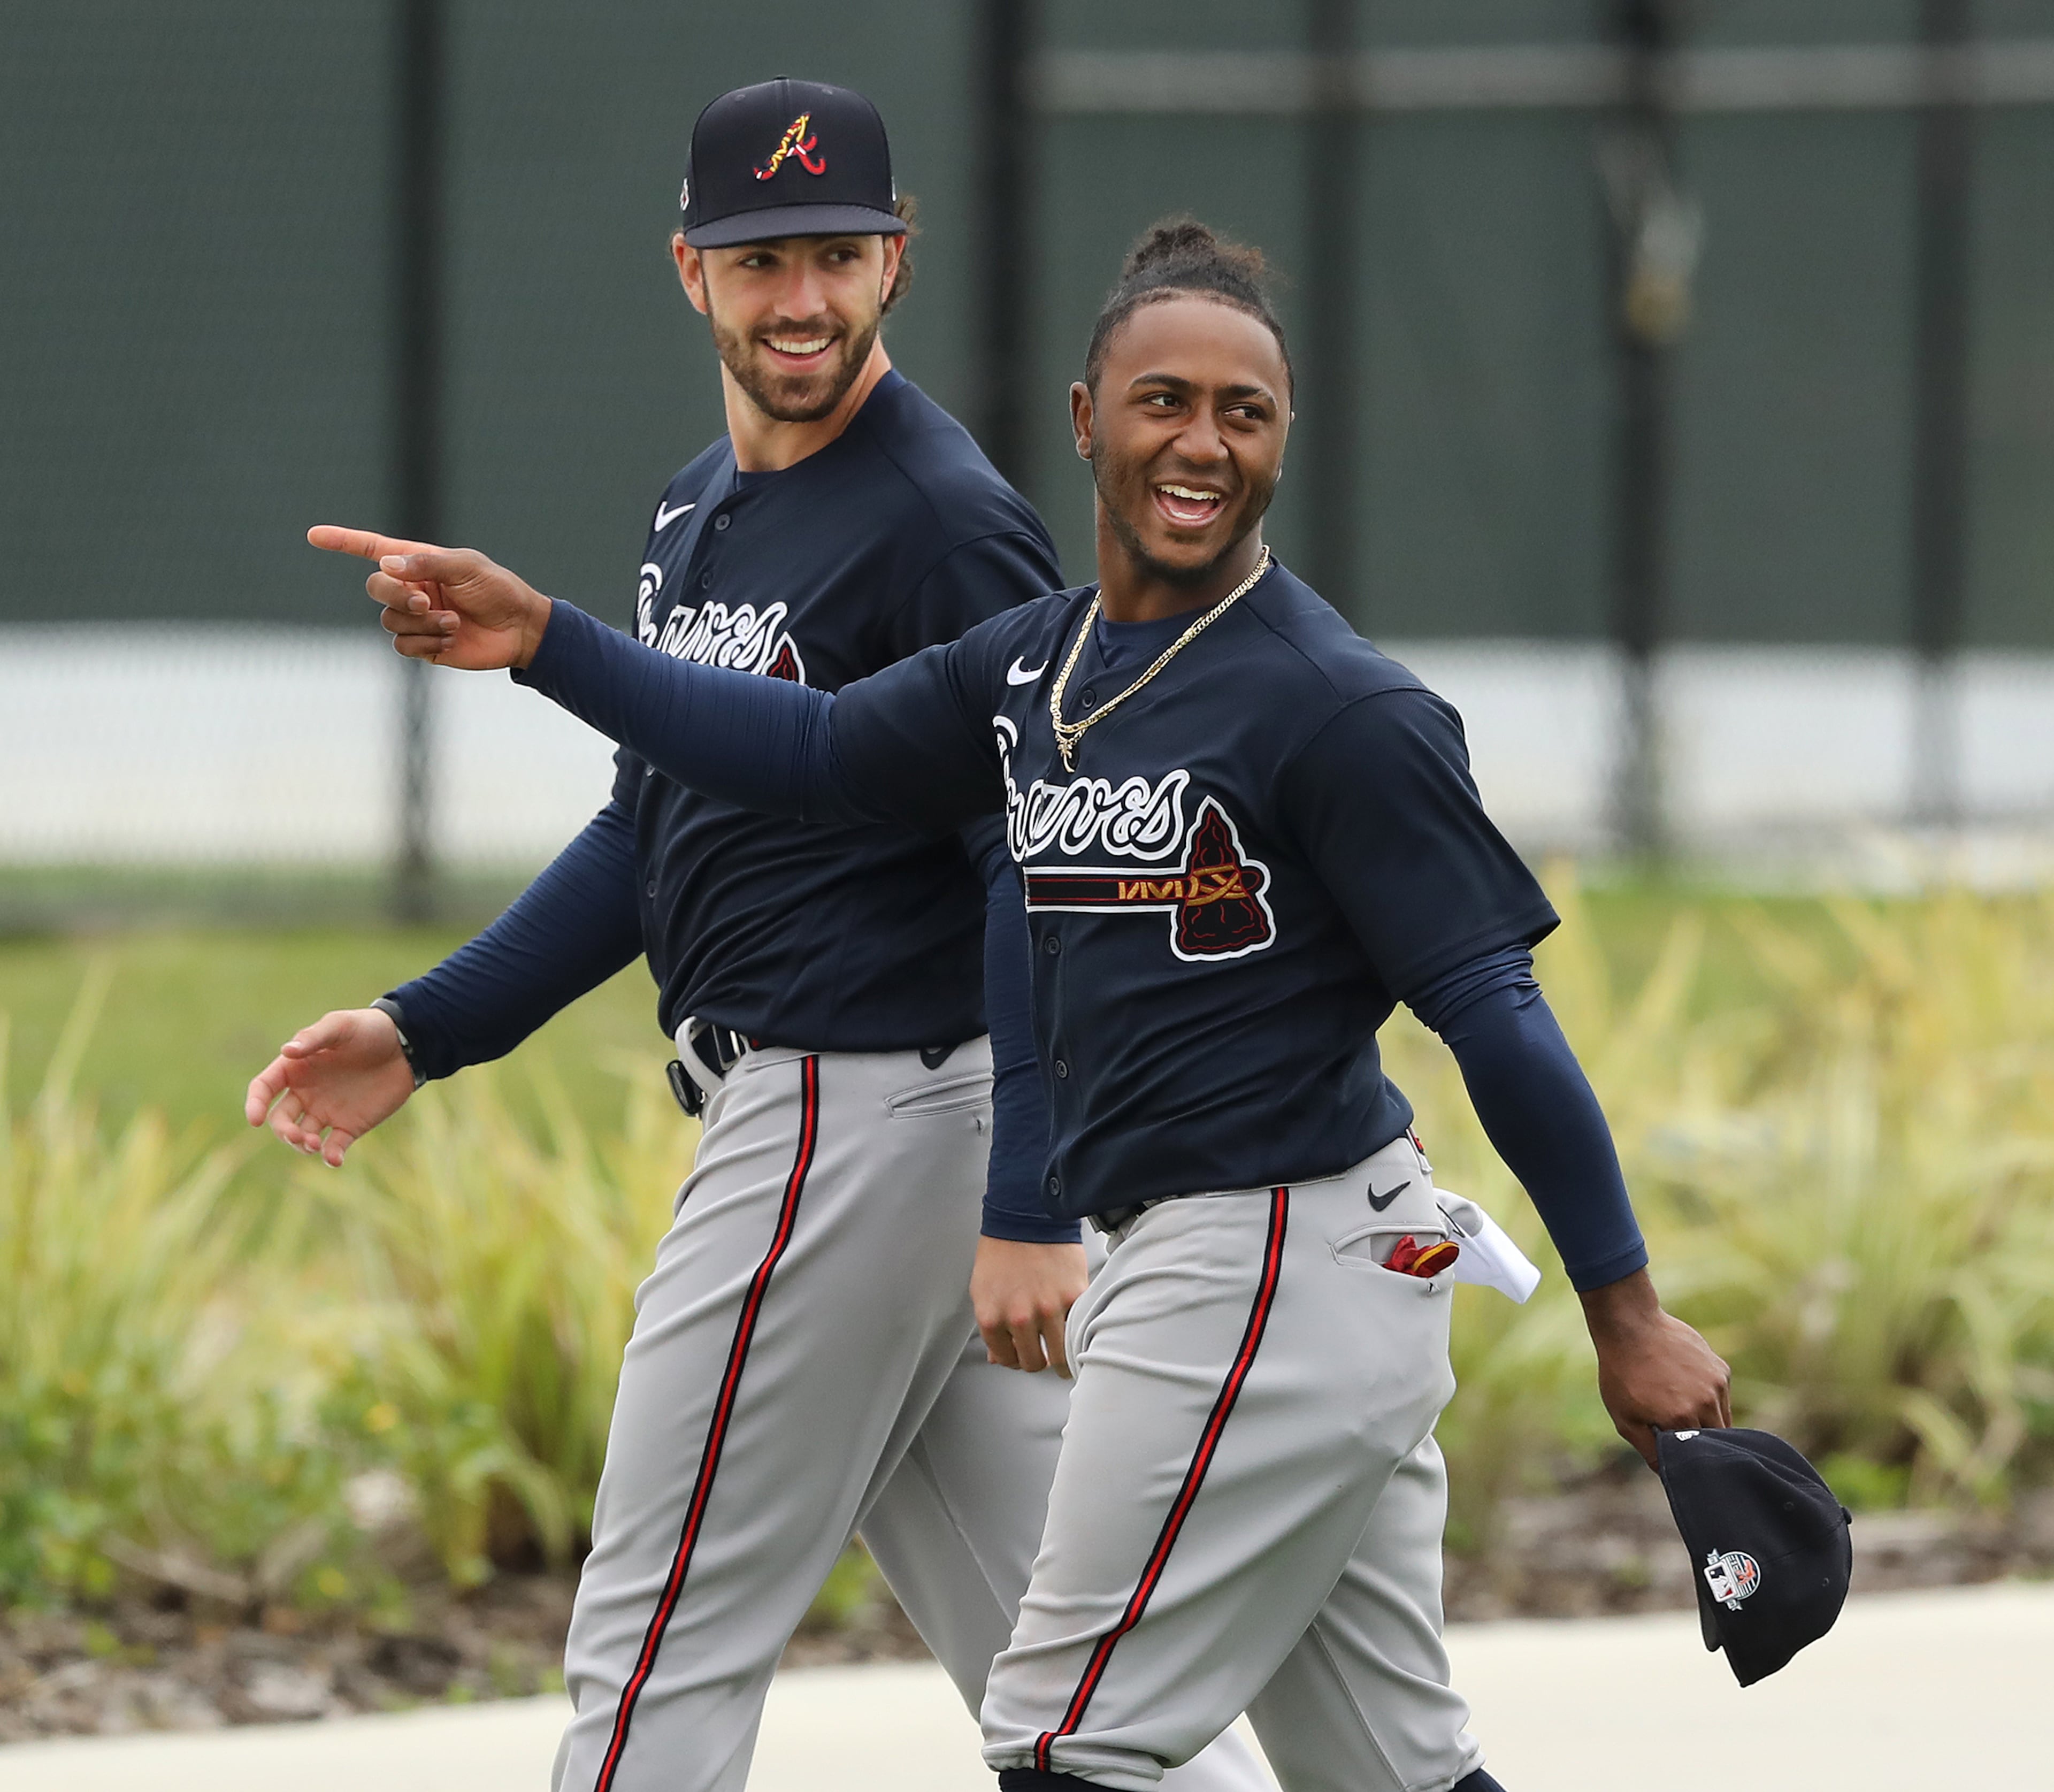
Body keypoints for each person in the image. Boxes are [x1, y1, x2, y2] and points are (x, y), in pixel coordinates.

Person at [322, 221, 1733, 1791]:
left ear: (1282, 442)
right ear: (1087, 420)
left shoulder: (1340, 707)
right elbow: (807, 754)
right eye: (1164, 402)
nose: (1201, 442)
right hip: (1246, 1271)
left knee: (1063, 1746)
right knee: (1389, 1774)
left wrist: (1627, 1312)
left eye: (1243, 414)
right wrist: (547, 645)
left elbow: (1495, 1012)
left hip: (1277, 1261)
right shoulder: (1036, 673)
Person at [255, 85, 1264, 1792]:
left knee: (656, 1637)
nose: (800, 297)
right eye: (760, 258)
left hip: (851, 1120)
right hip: (865, 1138)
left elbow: (1044, 864)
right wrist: (432, 1026)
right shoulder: (693, 509)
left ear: (897, 261)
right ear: (689, 273)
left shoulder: (940, 519)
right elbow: (664, 821)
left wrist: (1031, 1198)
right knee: (1077, 1686)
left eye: (835, 256)